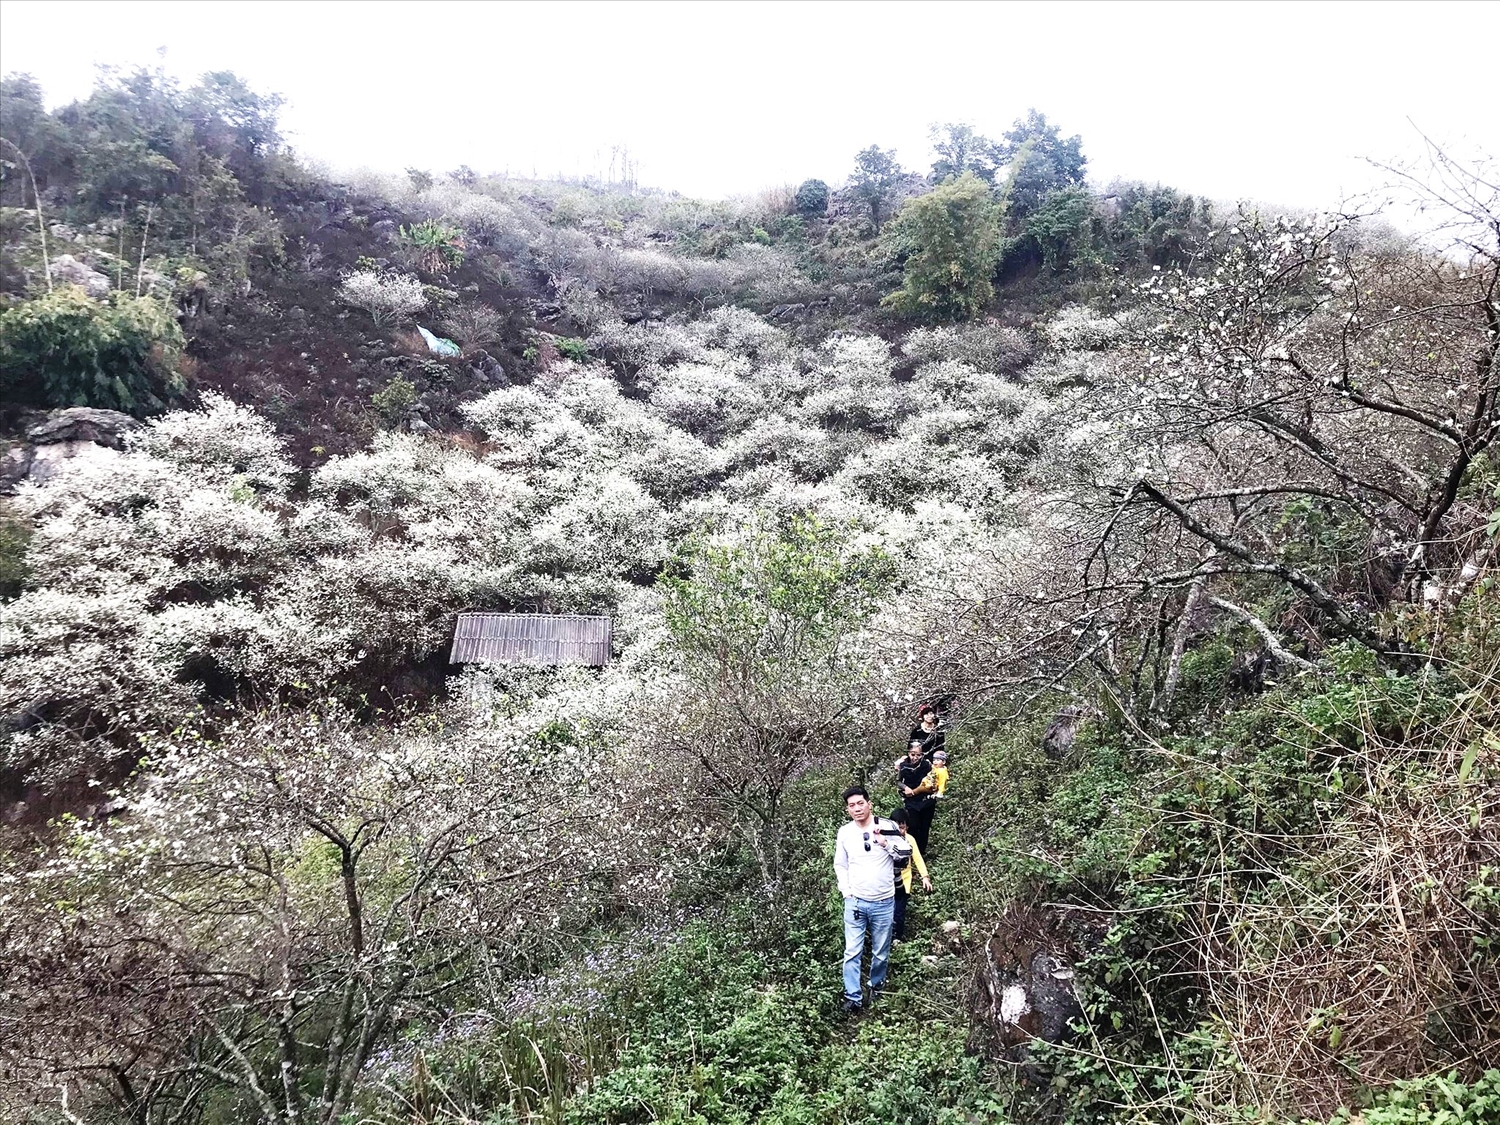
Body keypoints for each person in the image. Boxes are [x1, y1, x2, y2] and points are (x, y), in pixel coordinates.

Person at [833, 785, 900, 1013]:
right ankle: (853, 997)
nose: (857, 808)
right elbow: (840, 865)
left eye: (860, 803)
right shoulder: (845, 832)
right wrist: (847, 892)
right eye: (852, 805)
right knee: (852, 951)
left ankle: (876, 985)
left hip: (883, 901)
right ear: (848, 810)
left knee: (880, 950)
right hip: (856, 901)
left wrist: (885, 843)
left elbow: (904, 855)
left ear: (869, 804)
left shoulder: (887, 826)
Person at [886, 807, 932, 940]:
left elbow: (917, 858)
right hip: (887, 882)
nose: (900, 831)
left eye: (903, 827)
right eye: (897, 827)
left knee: (899, 912)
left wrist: (925, 877)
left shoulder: (910, 840)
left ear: (907, 826)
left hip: (904, 882)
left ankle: (897, 938)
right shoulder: (886, 840)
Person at [898, 740, 938, 854]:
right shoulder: (904, 766)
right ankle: (912, 852)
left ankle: (922, 853)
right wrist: (905, 787)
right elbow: (899, 781)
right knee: (913, 826)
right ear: (908, 753)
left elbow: (934, 781)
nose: (915, 757)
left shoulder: (927, 765)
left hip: (927, 801)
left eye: (918, 755)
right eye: (913, 754)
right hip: (911, 802)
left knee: (924, 827)